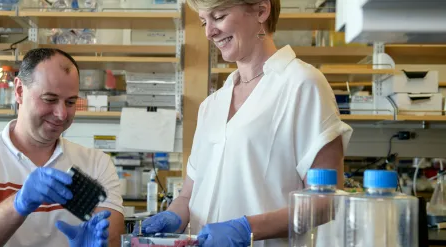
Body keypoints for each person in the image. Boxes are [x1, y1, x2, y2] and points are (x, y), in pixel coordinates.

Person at [135, 0, 353, 246]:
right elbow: (188, 194)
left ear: (261, 10)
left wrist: (249, 228)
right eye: (204, 21)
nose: (209, 32)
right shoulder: (212, 104)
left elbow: (326, 201)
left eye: (219, 17)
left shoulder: (302, 84)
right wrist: (174, 214)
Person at [0, 48, 125, 247]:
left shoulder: (97, 164)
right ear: (19, 90)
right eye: (50, 99)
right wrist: (18, 204)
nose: (61, 114)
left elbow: (113, 239)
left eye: (70, 102)